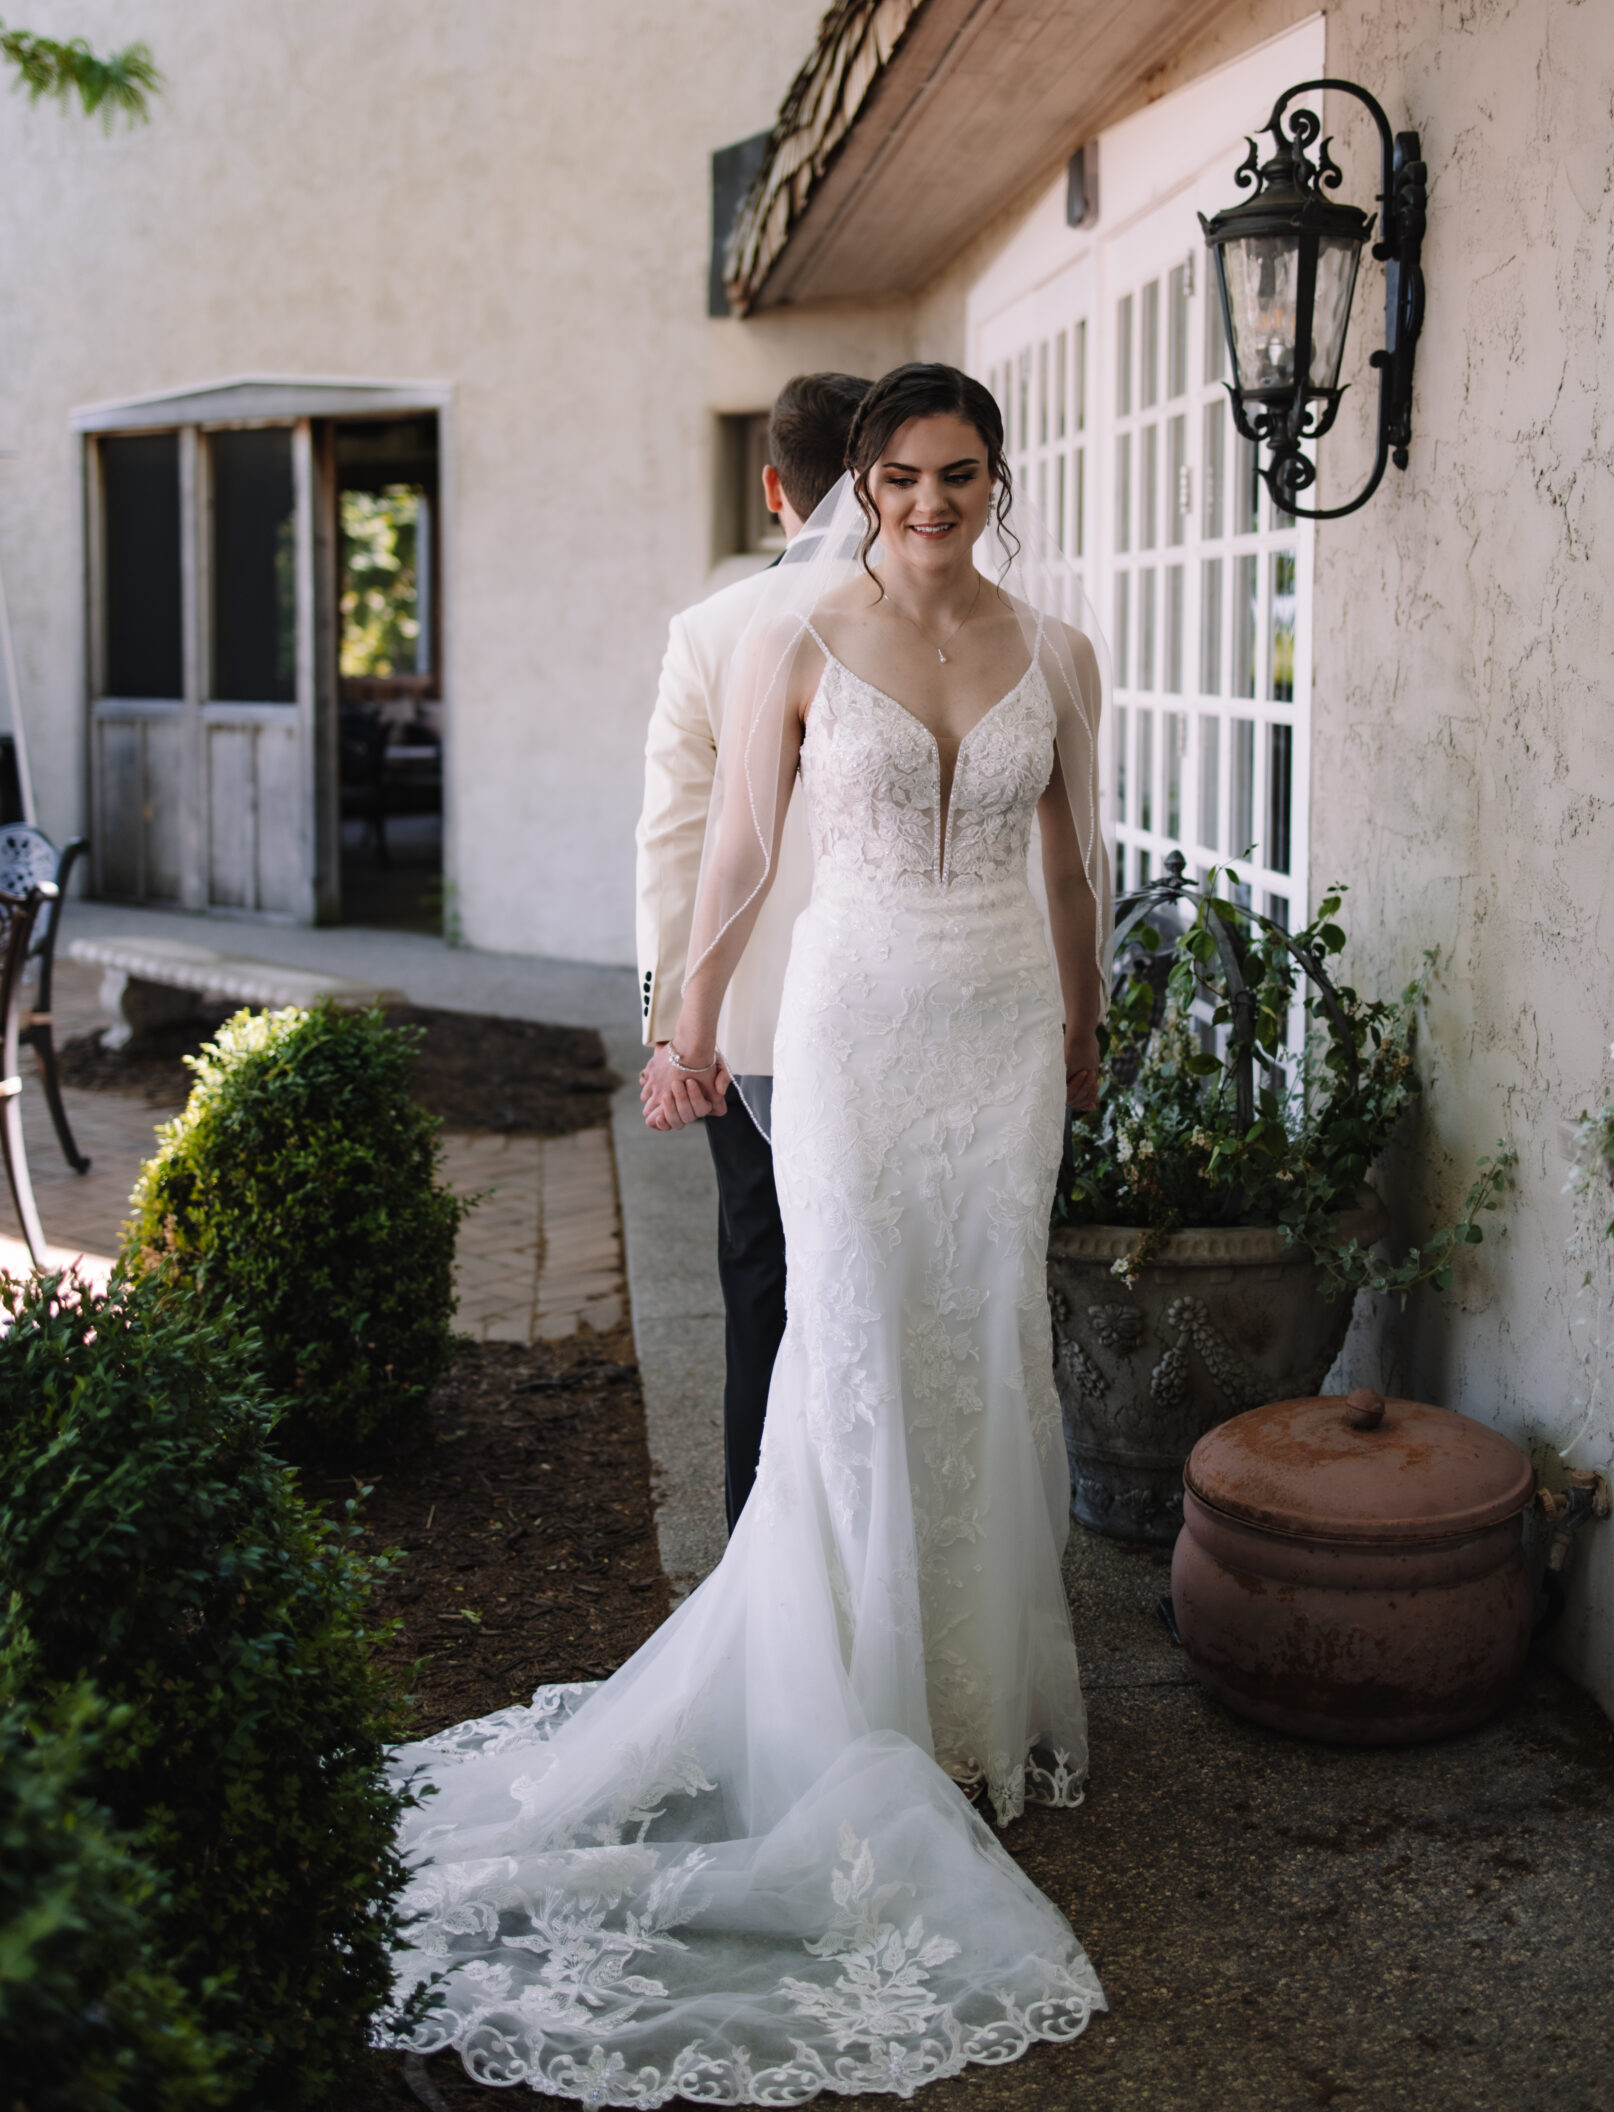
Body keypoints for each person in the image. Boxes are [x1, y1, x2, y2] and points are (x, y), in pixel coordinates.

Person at [380, 365, 1109, 2105]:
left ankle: (971, 1699)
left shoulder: (1060, 654)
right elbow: (742, 854)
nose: (935, 503)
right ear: (860, 484)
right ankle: (846, 1701)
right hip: (854, 1030)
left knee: (985, 1333)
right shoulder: (801, 642)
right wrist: (686, 1020)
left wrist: (1089, 1027)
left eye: (962, 476)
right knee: (854, 1335)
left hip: (1002, 1030)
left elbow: (1076, 864)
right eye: (908, 477)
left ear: (997, 482)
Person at [634, 370, 870, 1527]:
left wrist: (672, 1025)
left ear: (776, 485)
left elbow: (673, 841)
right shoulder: (949, 622)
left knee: (761, 1272)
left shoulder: (714, 629)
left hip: (756, 1022)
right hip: (907, 1007)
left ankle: (757, 1550)